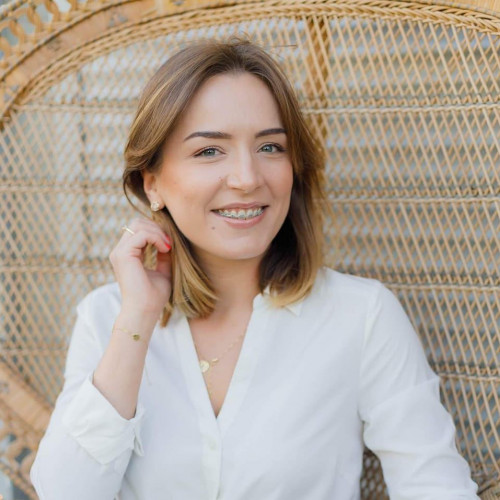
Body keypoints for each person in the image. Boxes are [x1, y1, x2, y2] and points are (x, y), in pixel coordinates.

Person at [30, 38, 479, 499]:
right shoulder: (107, 317)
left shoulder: (361, 316)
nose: (247, 178)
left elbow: (435, 487)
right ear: (153, 184)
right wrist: (138, 320)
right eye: (209, 151)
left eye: (270, 146)